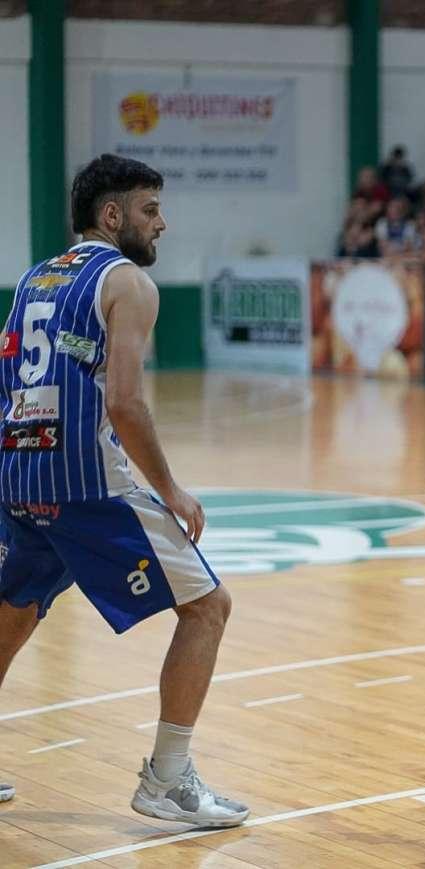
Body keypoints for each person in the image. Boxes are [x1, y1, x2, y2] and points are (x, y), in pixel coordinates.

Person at [0, 154, 247, 826]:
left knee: (14, 609)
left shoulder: (33, 277)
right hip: (85, 483)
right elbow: (126, 402)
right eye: (150, 209)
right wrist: (170, 489)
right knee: (209, 607)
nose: (161, 223)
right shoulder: (128, 282)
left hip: (20, 473)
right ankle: (167, 778)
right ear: (111, 215)